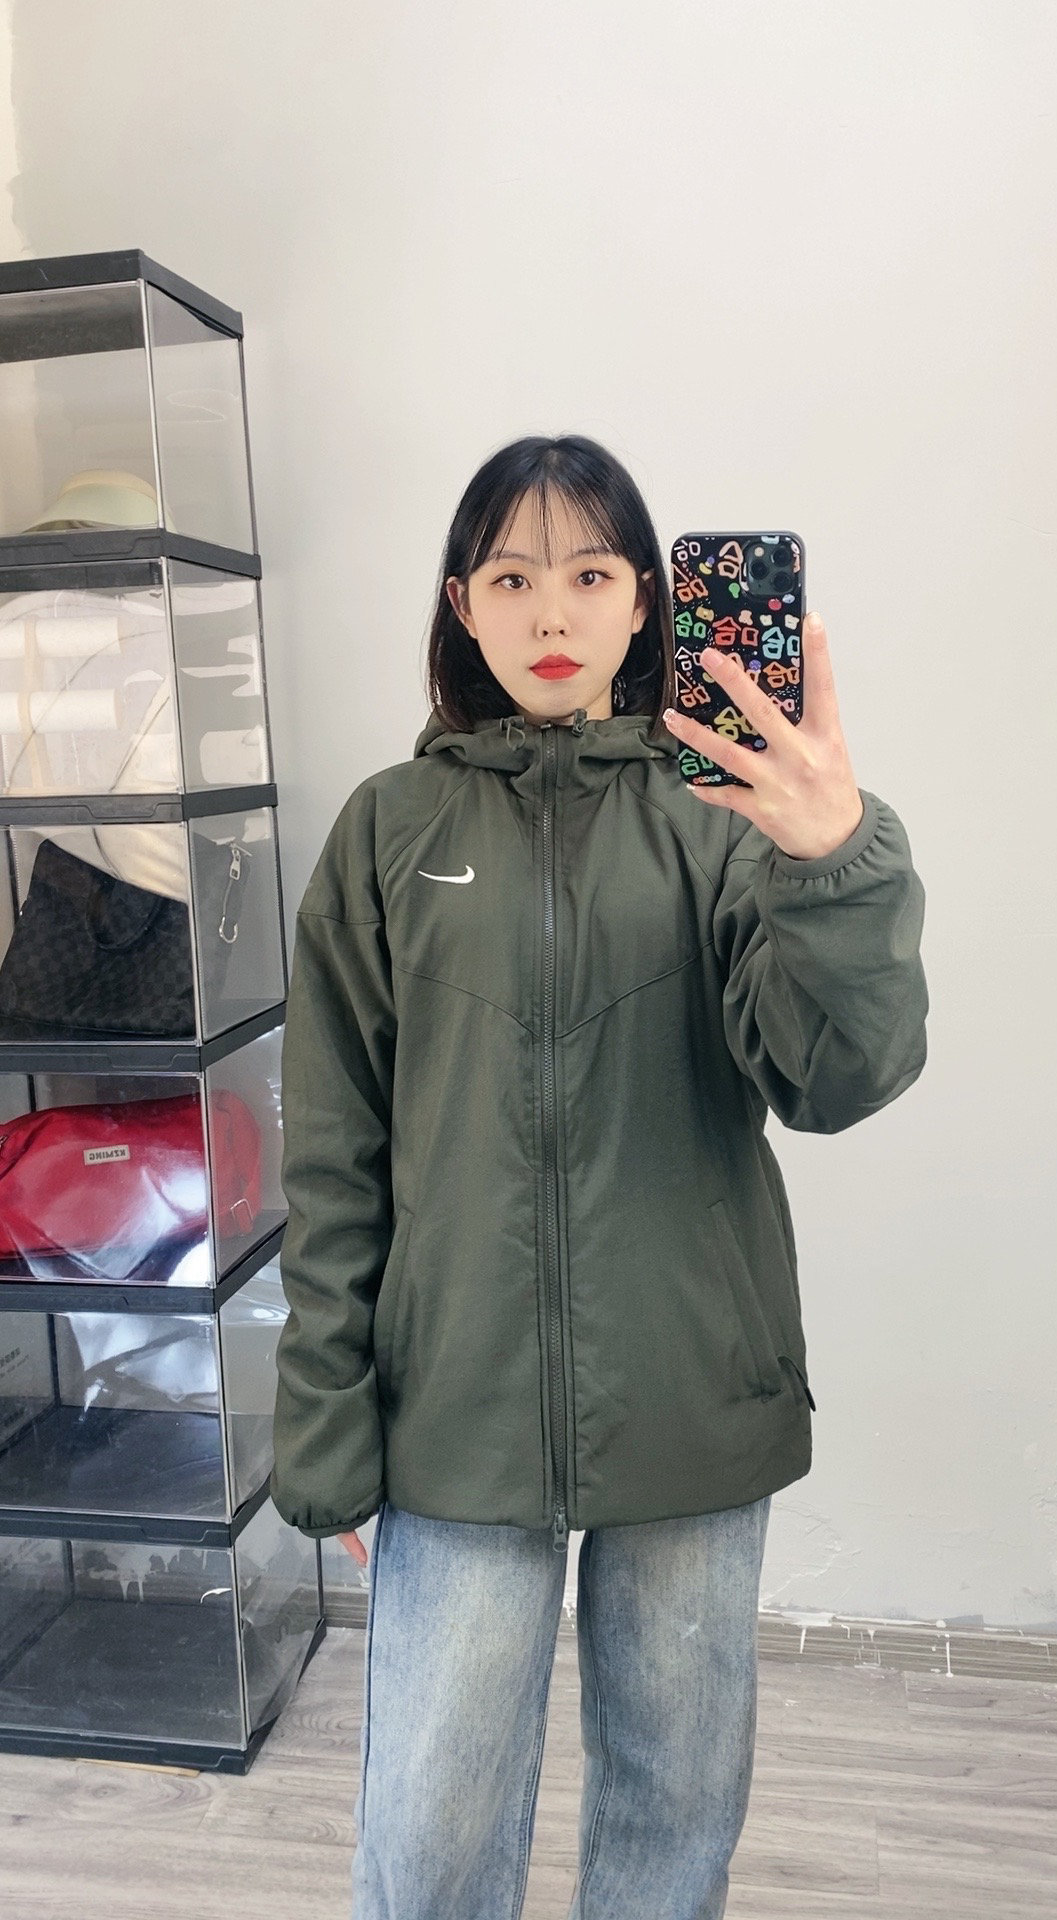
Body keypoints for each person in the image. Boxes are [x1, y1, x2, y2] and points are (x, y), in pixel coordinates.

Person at [269, 433, 929, 1918]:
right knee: (428, 1846)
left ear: (646, 605)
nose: (552, 612)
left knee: (671, 1824)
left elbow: (839, 1078)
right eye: (512, 578)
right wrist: (326, 1419)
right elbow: (334, 1155)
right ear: (463, 605)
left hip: (694, 1393)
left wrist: (833, 861)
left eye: (589, 573)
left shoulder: (724, 825)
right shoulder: (387, 830)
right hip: (454, 1409)